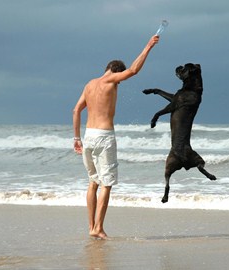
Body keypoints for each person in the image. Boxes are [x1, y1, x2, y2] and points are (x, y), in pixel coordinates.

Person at [72, 35, 159, 239]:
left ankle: (91, 227)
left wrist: (76, 139)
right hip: (104, 137)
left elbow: (76, 110)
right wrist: (148, 46)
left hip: (88, 136)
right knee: (107, 183)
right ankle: (98, 228)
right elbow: (134, 71)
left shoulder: (89, 84)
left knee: (93, 182)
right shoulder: (112, 79)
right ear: (115, 72)